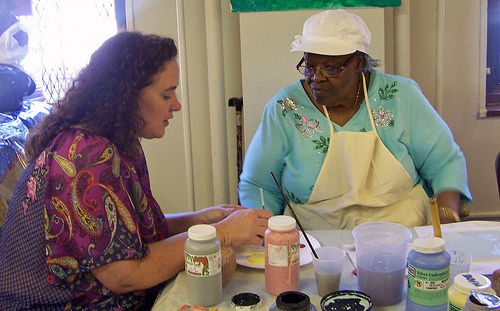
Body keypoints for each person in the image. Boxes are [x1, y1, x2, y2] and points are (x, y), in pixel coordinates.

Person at [0, 31, 272, 310]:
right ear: (127, 97)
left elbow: (126, 233)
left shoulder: (120, 143)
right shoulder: (85, 157)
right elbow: (124, 275)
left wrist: (202, 219)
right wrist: (222, 232)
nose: (176, 105)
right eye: (167, 94)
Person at [238, 9, 472, 230]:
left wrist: (447, 217)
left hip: (402, 232)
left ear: (358, 63)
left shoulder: (400, 96)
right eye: (309, 66)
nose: (315, 78)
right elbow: (258, 185)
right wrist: (265, 235)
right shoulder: (285, 109)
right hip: (315, 241)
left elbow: (445, 163)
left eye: (330, 68)